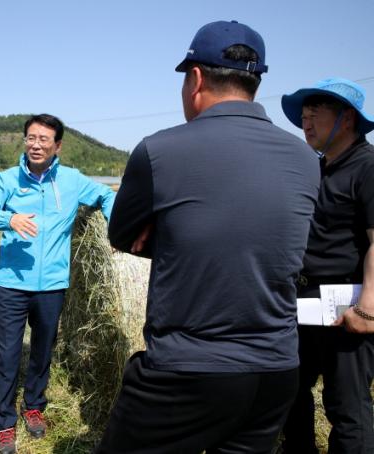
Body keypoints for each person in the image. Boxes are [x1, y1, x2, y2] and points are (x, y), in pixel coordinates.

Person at [96, 20, 320, 453]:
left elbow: (123, 235)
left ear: (195, 79)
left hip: (187, 369)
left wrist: (173, 229)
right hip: (276, 373)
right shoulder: (306, 158)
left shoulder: (159, 151)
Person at [0, 113, 115, 454]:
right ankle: (4, 423)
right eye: (31, 138)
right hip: (12, 283)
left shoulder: (72, 180)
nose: (36, 145)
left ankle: (34, 406)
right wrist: (9, 218)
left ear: (57, 145)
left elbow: (106, 196)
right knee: (8, 356)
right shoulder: (8, 179)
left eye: (43, 139)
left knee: (42, 352)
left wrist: (115, 231)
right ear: (25, 141)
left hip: (52, 285)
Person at [280, 78, 374, 453]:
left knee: (346, 406)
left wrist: (367, 309)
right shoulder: (318, 168)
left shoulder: (368, 167)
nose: (306, 123)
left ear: (347, 118)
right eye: (303, 116)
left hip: (348, 307)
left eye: (315, 114)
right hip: (305, 302)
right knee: (290, 391)